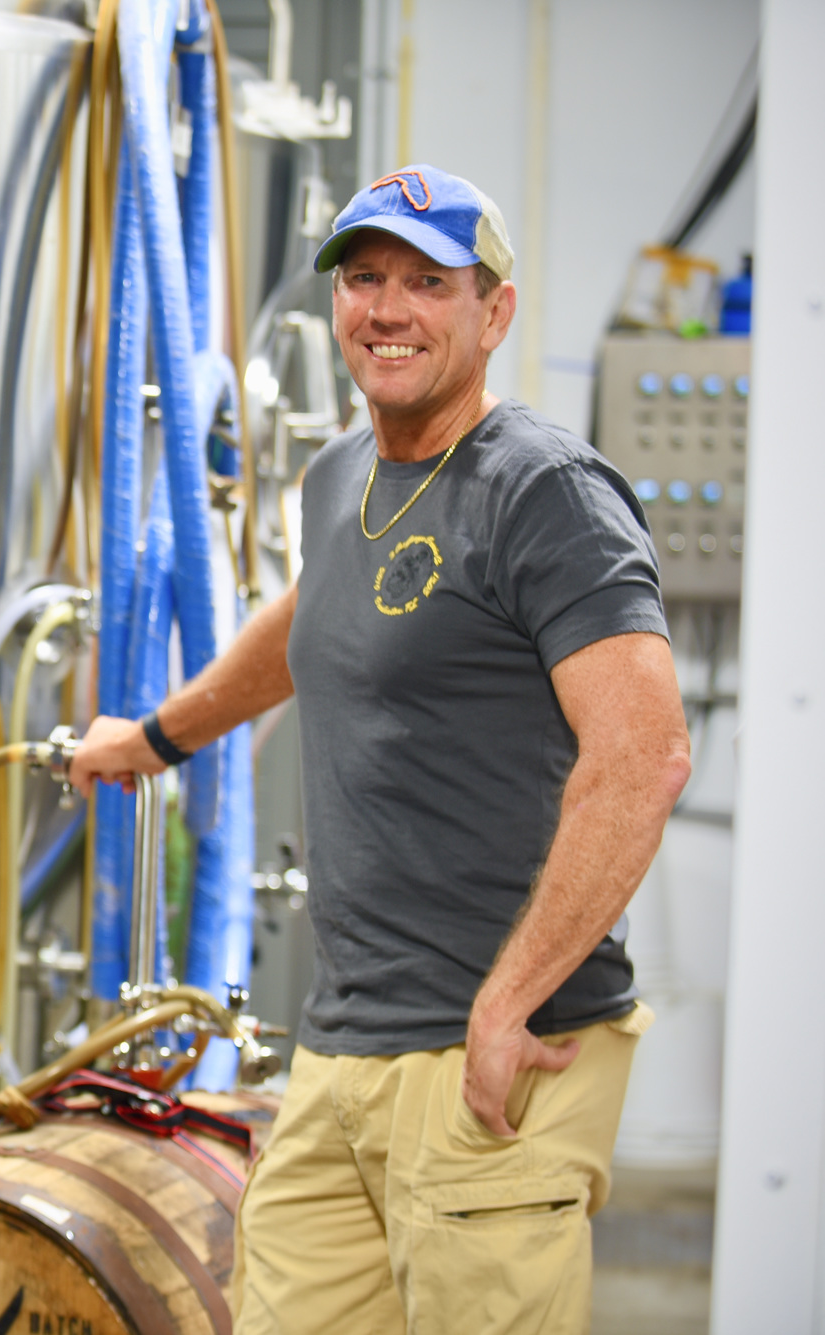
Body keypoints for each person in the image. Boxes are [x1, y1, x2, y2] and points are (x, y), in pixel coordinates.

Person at [69, 165, 691, 1333]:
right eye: (363, 280)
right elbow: (313, 617)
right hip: (343, 1047)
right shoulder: (340, 476)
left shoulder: (543, 491)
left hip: (494, 1053)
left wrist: (505, 1007)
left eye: (424, 283)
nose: (386, 310)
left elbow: (643, 754)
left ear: (490, 313)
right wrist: (157, 735)